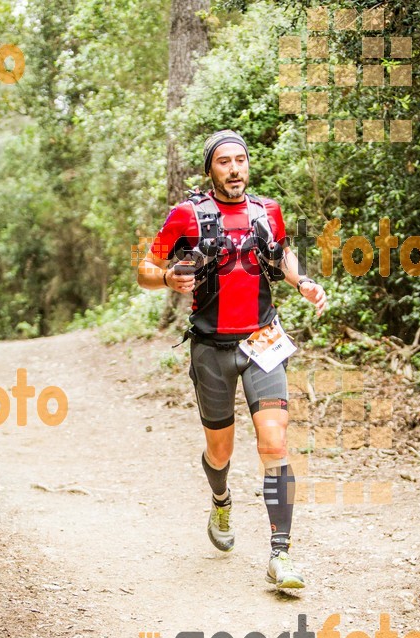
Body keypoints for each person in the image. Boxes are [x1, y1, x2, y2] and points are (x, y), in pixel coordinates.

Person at [138, 130, 327, 589]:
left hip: (262, 342)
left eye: (240, 160)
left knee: (274, 445)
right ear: (211, 170)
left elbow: (281, 254)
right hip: (211, 348)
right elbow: (145, 269)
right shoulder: (186, 215)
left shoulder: (268, 211)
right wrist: (166, 278)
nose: (235, 168)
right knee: (220, 450)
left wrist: (301, 281)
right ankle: (221, 501)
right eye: (224, 161)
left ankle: (280, 554)